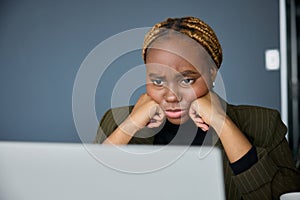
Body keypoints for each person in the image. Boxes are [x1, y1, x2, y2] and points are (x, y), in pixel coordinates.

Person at [94, 16, 300, 199]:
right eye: (157, 81)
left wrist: (222, 122)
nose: (172, 96)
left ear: (212, 73)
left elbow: (282, 195)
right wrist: (130, 125)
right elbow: (89, 189)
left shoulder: (263, 123)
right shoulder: (115, 120)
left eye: (186, 80)